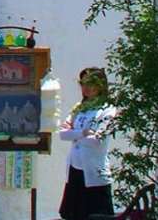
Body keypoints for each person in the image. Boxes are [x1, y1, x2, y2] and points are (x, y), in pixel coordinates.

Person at [58, 67, 118, 220]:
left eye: (91, 83)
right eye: (83, 84)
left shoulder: (107, 110)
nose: (86, 88)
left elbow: (97, 140)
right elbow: (63, 134)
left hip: (94, 172)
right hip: (75, 169)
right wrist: (82, 133)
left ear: (101, 86)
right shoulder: (79, 109)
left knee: (96, 215)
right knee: (74, 214)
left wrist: (75, 135)